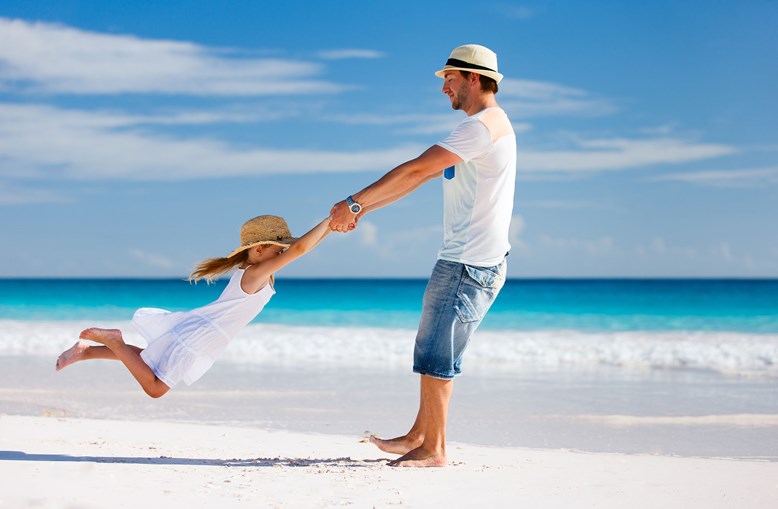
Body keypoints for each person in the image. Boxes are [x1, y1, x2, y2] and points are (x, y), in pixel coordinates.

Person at [330, 44, 516, 467]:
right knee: (432, 349)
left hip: (468, 263)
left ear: (473, 78)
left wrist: (354, 202)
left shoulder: (481, 128)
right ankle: (420, 434)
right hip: (469, 260)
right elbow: (420, 178)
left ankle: (434, 450)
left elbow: (415, 168)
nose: (443, 87)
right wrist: (364, 209)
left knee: (437, 355)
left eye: (449, 78)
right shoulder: (487, 127)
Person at [55, 215, 330, 398]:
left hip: (204, 332)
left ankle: (87, 352)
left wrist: (336, 226)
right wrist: (330, 220)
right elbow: (300, 250)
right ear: (258, 251)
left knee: (153, 360)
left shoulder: (258, 271)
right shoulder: (254, 274)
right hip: (202, 335)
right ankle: (114, 341)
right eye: (278, 250)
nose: (283, 255)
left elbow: (302, 247)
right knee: (155, 387)